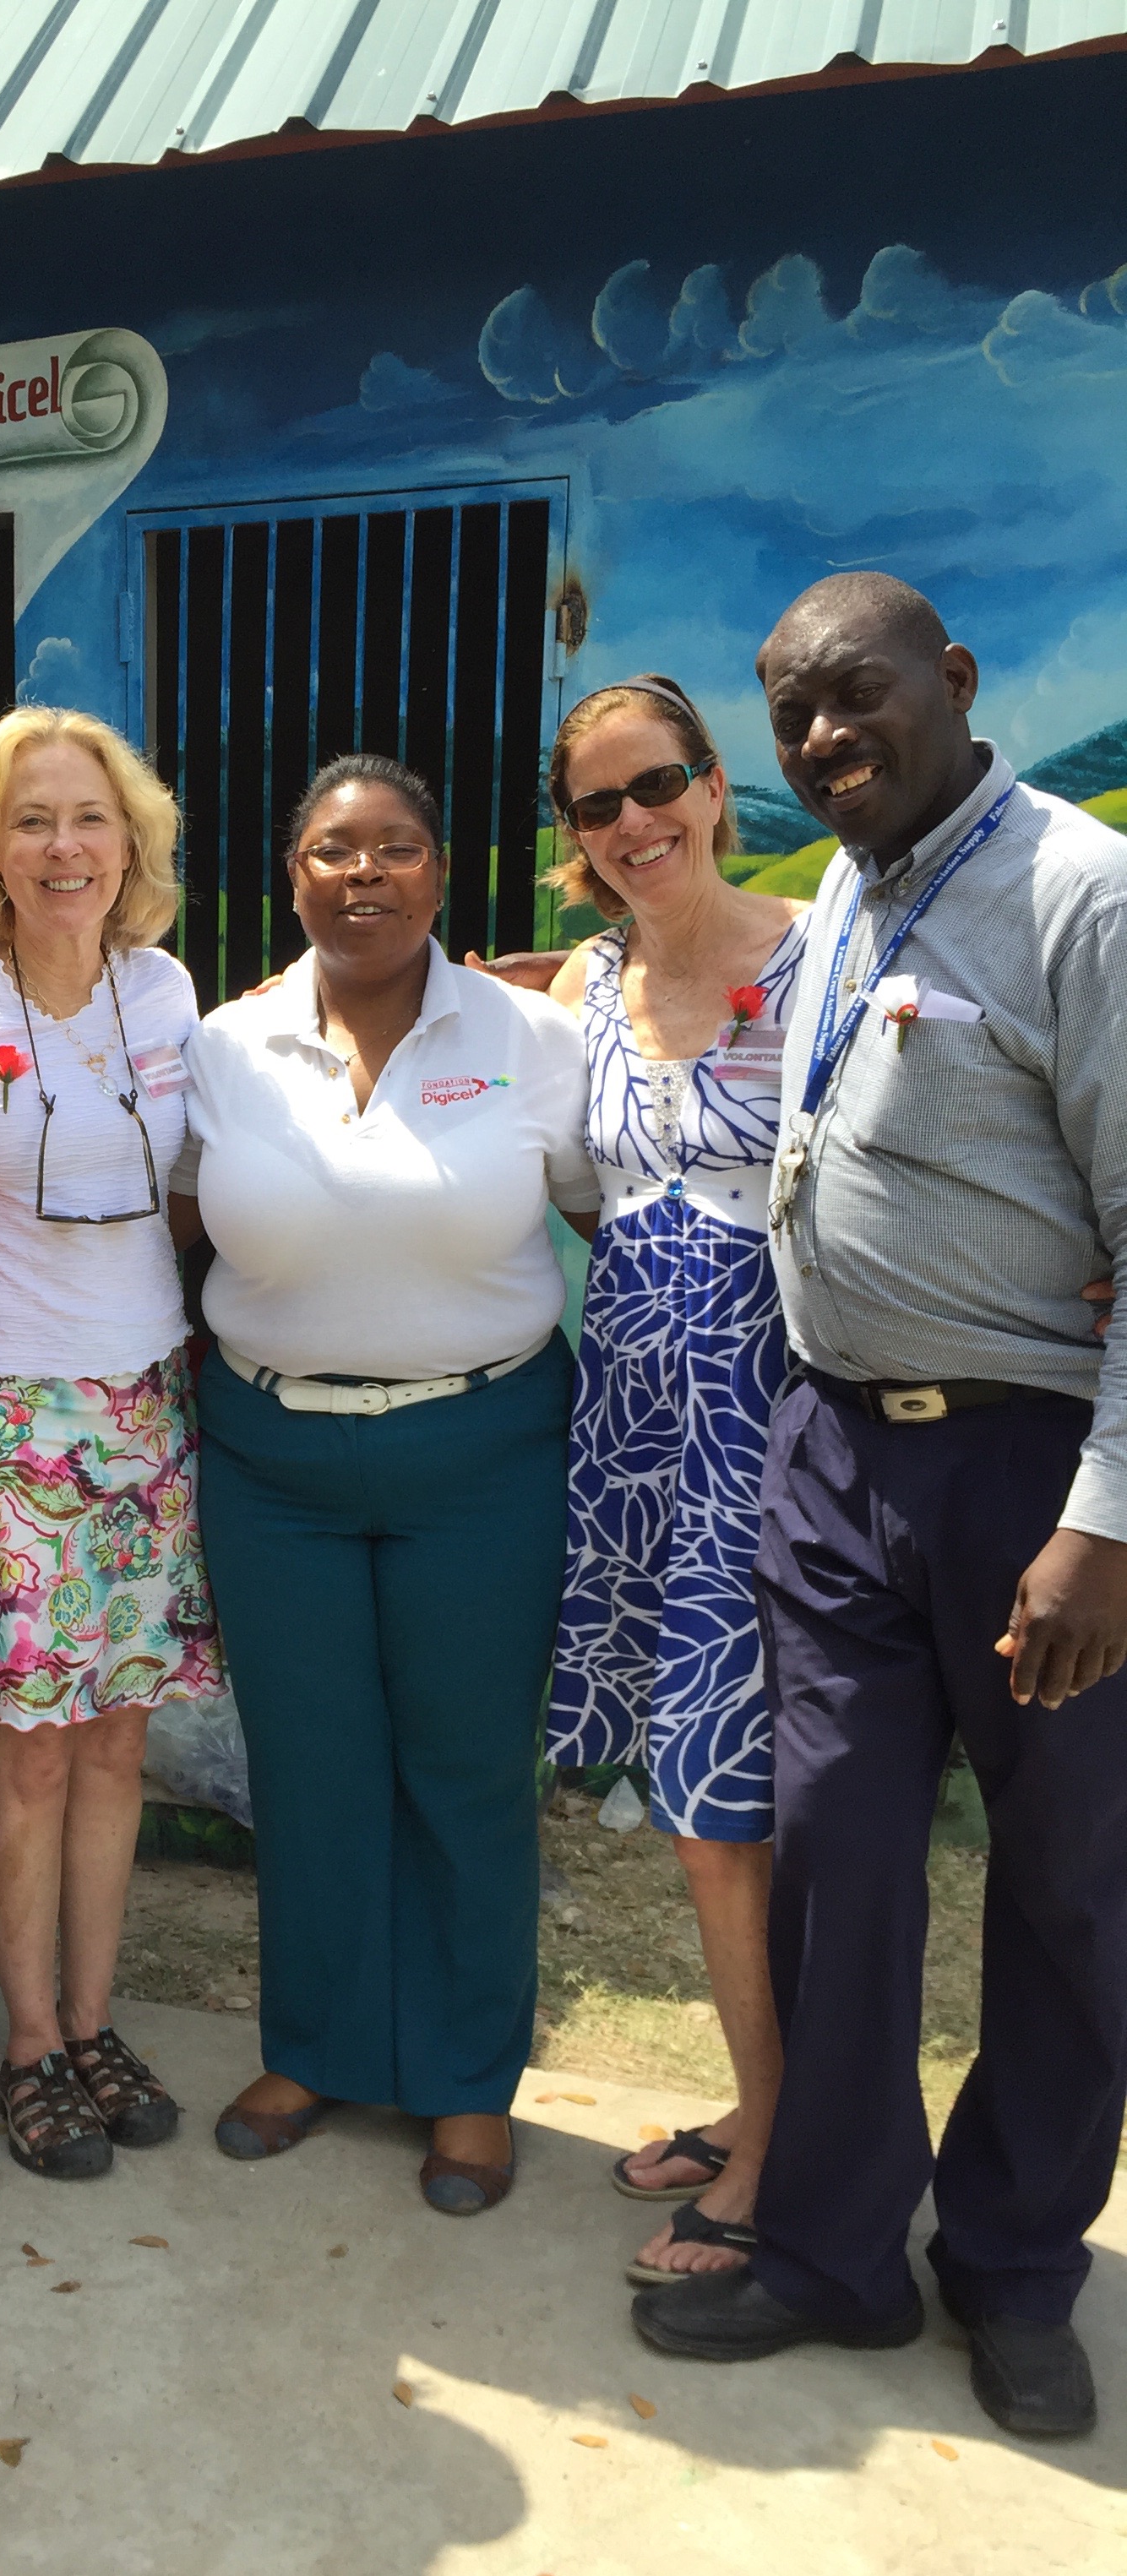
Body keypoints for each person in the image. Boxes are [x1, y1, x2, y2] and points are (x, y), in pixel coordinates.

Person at [633, 573, 1127, 2443]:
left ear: (957, 680)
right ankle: (836, 2253)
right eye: (795, 716)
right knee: (840, 1862)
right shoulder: (852, 887)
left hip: (1034, 1476)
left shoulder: (1082, 898)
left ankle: (1014, 2263)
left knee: (1066, 1885)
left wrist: (1107, 1523)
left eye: (858, 697)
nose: (827, 739)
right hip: (835, 1455)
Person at [172, 755, 598, 2215]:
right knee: (311, 1768)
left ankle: (467, 2080)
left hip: (479, 1452)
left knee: (464, 1768)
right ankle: (320, 2051)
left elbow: (609, 1202)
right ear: (293, 876)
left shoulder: (532, 1036)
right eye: (334, 851)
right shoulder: (226, 1044)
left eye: (398, 848)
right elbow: (179, 1223)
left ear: (442, 871)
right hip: (271, 1460)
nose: (366, 875)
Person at [0, 709, 219, 2181]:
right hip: (7, 1414)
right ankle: (25, 2043)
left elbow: (193, 1191)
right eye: (32, 821)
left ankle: (92, 2020)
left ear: (130, 840)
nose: (64, 847)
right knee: (26, 1755)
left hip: (147, 1406)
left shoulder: (168, 990)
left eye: (88, 818)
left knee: (120, 1740)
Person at [535, 677, 808, 2287]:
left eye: (661, 784)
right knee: (704, 1808)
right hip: (639, 1435)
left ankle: (773, 2150)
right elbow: (590, 1190)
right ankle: (759, 2104)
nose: (635, 821)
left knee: (730, 1808)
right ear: (575, 836)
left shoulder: (819, 953)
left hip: (778, 1431)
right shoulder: (588, 980)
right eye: (599, 804)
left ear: (714, 786)